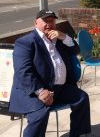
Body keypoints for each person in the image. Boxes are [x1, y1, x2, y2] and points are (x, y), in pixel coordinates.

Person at [9, 9, 91, 137]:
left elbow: (76, 50)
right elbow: (23, 71)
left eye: (52, 21)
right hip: (34, 91)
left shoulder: (58, 39)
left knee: (82, 98)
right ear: (36, 23)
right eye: (45, 21)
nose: (49, 24)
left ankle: (77, 134)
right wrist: (40, 91)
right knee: (40, 116)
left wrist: (63, 36)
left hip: (58, 89)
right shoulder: (25, 42)